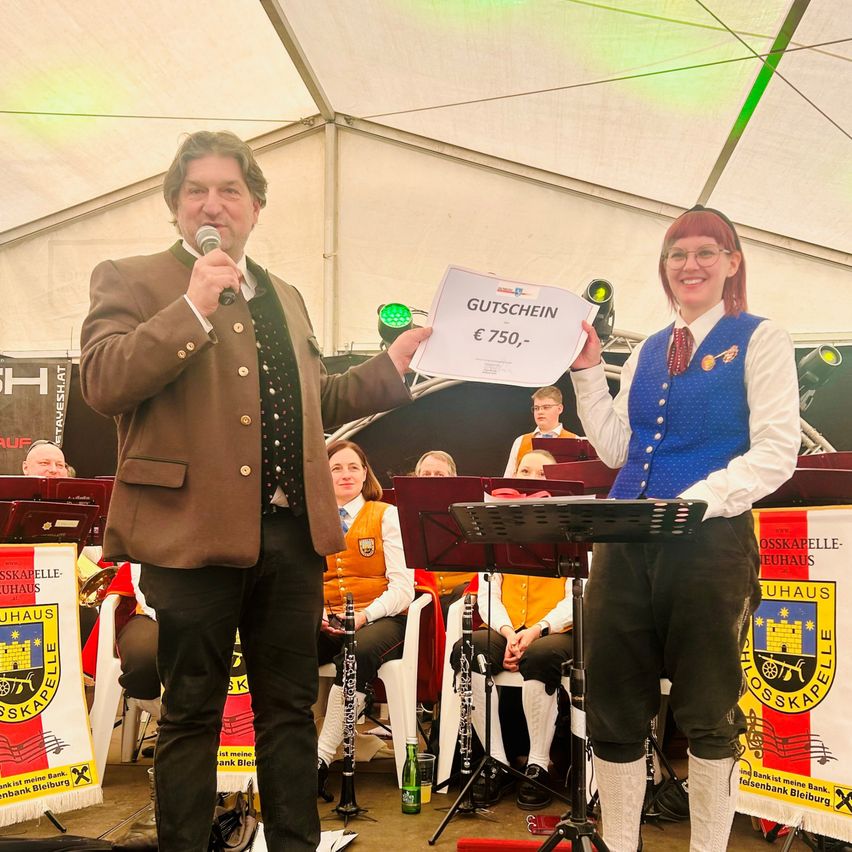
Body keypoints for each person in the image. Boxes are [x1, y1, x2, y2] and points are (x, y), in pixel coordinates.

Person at [79, 130, 429, 852]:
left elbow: (318, 400)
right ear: (175, 206)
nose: (213, 202)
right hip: (189, 533)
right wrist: (192, 308)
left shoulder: (288, 296)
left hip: (292, 538)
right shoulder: (132, 276)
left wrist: (390, 365)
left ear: (257, 206)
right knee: (192, 714)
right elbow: (104, 382)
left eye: (230, 190)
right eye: (196, 190)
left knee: (289, 712)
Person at [569, 206, 800, 852]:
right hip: (624, 541)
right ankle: (619, 844)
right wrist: (589, 371)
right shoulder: (645, 349)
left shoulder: (759, 338)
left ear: (732, 264)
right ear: (664, 269)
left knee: (707, 711)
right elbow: (618, 448)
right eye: (678, 254)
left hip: (711, 544)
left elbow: (778, 450)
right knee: (612, 707)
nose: (690, 265)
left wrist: (700, 499)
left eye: (705, 252)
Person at [449, 449, 573, 810]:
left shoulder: (571, 525)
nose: (532, 476)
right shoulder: (496, 525)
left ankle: (537, 764)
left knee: (541, 656)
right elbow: (487, 589)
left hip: (553, 630)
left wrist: (535, 630)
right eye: (525, 469)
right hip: (507, 627)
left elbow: (578, 592)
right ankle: (498, 762)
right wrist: (506, 631)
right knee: (466, 651)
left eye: (541, 471)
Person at [316, 440, 415, 797]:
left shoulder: (386, 515)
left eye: (353, 467)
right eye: (336, 468)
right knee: (282, 645)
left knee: (354, 656)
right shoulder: (314, 517)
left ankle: (320, 759)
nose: (345, 474)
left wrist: (364, 615)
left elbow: (405, 588)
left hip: (382, 617)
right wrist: (317, 616)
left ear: (364, 473)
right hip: (328, 618)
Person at [503, 386, 576, 477]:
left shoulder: (576, 440)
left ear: (560, 409)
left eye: (546, 407)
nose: (540, 412)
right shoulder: (520, 441)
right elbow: (508, 479)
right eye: (536, 408)